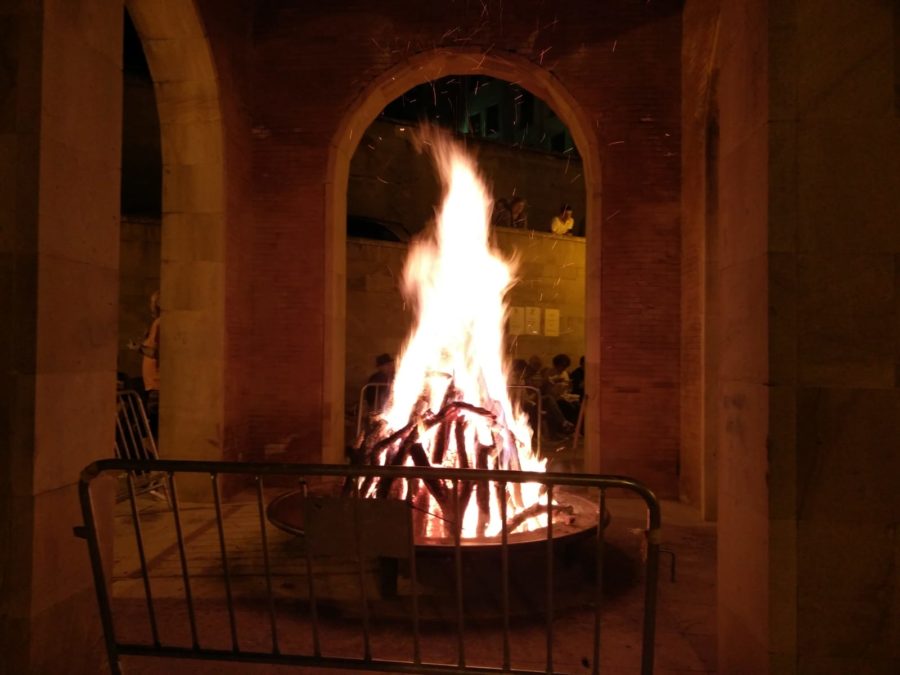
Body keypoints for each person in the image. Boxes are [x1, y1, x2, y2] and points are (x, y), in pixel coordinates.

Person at [128, 290, 161, 438]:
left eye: (152, 303)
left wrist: (138, 348)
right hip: (152, 385)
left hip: (156, 385)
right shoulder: (157, 324)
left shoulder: (158, 323)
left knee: (154, 431)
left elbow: (155, 352)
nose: (150, 306)